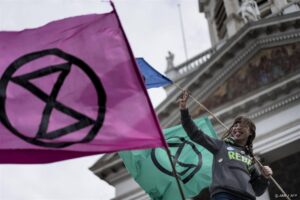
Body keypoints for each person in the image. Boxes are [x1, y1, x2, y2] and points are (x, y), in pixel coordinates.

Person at [178, 91, 273, 200]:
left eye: (242, 125)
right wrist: (184, 111)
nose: (236, 128)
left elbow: (257, 190)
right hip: (224, 194)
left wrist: (264, 178)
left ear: (250, 132)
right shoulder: (221, 146)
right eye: (235, 125)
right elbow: (195, 134)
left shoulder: (250, 159)